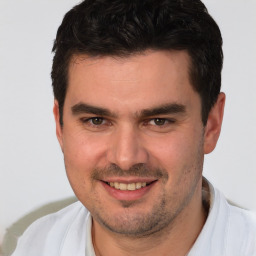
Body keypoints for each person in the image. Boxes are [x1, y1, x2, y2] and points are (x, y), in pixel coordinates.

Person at [11, 0, 256, 255]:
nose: (126, 158)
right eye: (96, 120)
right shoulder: (36, 244)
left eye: (158, 121)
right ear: (60, 126)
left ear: (211, 125)